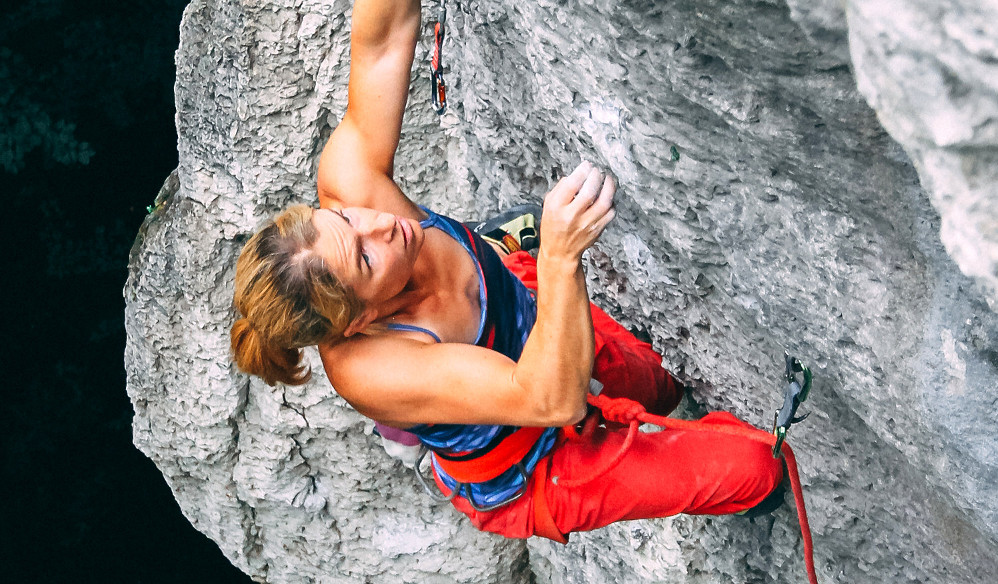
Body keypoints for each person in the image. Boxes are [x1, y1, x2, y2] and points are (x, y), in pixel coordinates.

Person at [231, 0, 783, 543]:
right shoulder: (374, 370)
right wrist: (562, 258)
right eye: (366, 258)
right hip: (534, 463)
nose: (382, 224)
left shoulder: (352, 189)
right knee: (758, 466)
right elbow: (551, 401)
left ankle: (504, 256)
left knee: (661, 388)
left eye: (347, 219)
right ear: (359, 320)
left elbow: (382, 42)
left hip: (524, 310)